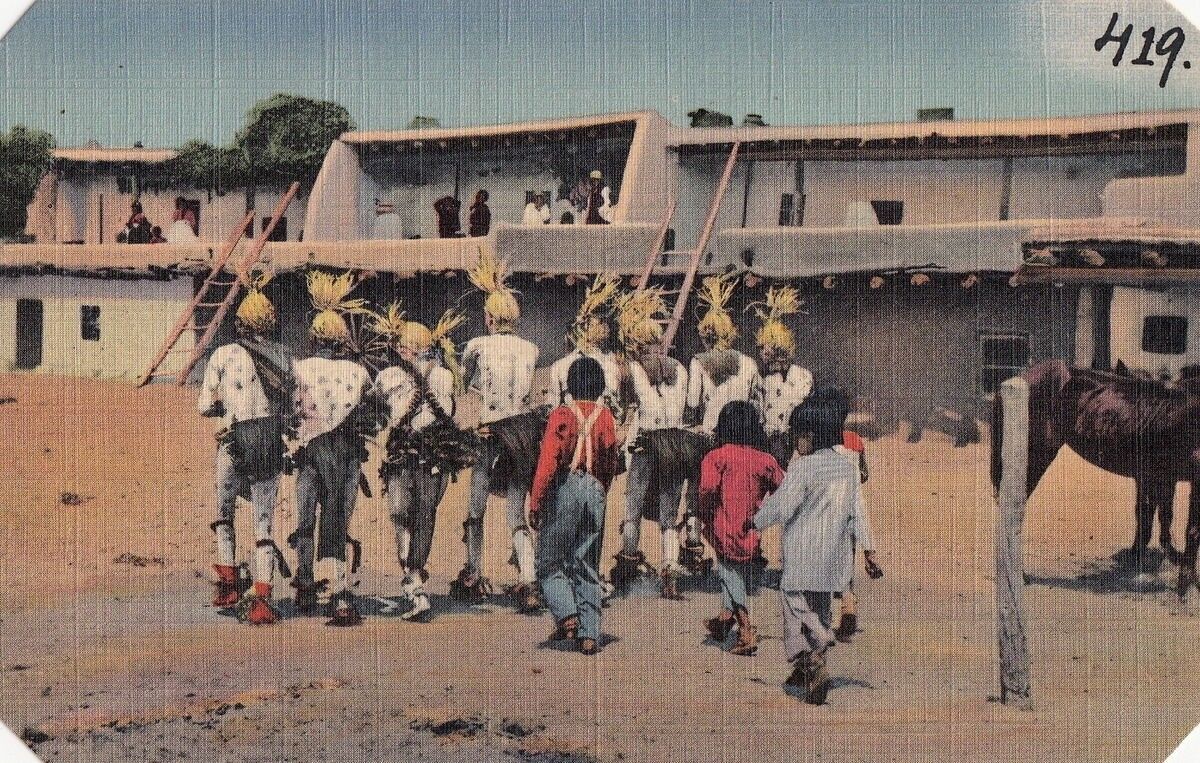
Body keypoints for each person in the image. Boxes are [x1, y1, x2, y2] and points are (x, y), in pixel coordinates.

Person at [752, 391, 883, 705]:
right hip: (835, 555)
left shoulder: (803, 468)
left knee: (792, 600)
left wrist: (755, 522)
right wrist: (868, 549)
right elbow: (857, 512)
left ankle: (814, 645)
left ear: (808, 436)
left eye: (796, 437)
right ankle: (812, 668)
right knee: (821, 609)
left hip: (802, 551)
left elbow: (782, 506)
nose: (795, 443)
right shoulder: (848, 468)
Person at [197, 273, 295, 626]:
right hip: (269, 441)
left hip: (233, 441)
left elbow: (204, 406)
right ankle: (263, 600)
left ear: (239, 322)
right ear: (270, 322)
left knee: (224, 512)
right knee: (264, 522)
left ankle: (228, 587)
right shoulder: (285, 356)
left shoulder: (223, 355)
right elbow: (294, 407)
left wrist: (229, 405)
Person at [289, 270, 378, 627]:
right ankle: (340, 593)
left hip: (311, 453)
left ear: (314, 337)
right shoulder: (358, 373)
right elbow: (374, 413)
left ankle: (307, 584)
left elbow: (292, 410)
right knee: (339, 521)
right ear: (342, 340)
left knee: (306, 520)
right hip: (348, 456)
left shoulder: (300, 367)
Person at [374, 305, 474, 621]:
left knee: (402, 513)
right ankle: (414, 576)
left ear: (408, 347)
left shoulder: (393, 376)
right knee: (421, 514)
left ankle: (412, 576)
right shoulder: (440, 375)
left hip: (408, 453)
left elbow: (378, 410)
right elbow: (450, 411)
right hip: (434, 454)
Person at [456, 250, 542, 610]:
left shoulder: (476, 345)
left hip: (489, 432)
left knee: (476, 507)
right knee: (515, 512)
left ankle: (474, 571)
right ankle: (528, 577)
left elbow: (465, 387)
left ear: (489, 317)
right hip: (521, 433)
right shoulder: (531, 348)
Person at [607, 287, 700, 600]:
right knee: (668, 511)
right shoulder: (681, 368)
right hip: (676, 442)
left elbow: (623, 408)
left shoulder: (631, 370)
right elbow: (688, 407)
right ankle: (670, 567)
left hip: (648, 443)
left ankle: (630, 560)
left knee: (632, 507)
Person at [529, 357, 621, 655]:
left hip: (565, 487)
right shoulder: (606, 417)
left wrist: (536, 501)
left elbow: (548, 461)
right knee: (588, 563)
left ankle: (567, 616)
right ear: (599, 387)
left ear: (569, 385)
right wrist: (600, 489)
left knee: (548, 563)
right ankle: (589, 634)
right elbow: (611, 461)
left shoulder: (561, 415)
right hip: (595, 489)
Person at [682, 274, 762, 575]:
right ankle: (739, 552)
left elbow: (692, 402)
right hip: (743, 439)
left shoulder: (699, 362)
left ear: (706, 334)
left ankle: (695, 543)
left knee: (698, 490)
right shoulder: (749, 363)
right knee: (738, 497)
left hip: (711, 436)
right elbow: (755, 402)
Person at [697, 401, 784, 656]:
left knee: (727, 570)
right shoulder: (765, 460)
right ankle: (725, 618)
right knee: (734, 571)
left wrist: (703, 513)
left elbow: (707, 489)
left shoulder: (716, 457)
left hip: (723, 524)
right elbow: (784, 488)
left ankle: (745, 628)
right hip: (751, 528)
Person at [752, 285, 812, 467]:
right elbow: (757, 411)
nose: (762, 352)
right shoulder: (760, 377)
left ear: (777, 348)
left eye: (765, 347)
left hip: (797, 445)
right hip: (770, 443)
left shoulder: (803, 375)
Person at [547, 273, 622, 413]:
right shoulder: (560, 366)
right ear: (584, 326)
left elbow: (616, 411)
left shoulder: (612, 365)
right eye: (599, 322)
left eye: (606, 322)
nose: (605, 326)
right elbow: (553, 409)